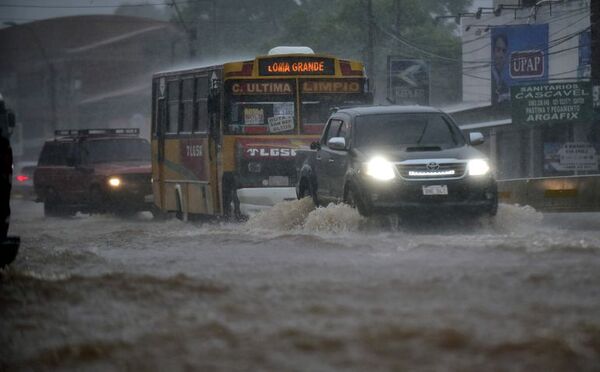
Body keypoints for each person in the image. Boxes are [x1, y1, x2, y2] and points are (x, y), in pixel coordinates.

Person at [491, 33, 510, 105]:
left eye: (504, 51)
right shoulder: (487, 79)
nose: (501, 55)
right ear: (492, 52)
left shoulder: (504, 86)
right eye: (498, 50)